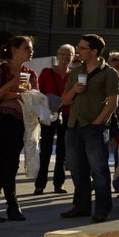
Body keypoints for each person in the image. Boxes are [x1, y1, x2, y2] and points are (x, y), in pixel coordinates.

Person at [61, 34, 119, 222]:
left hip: (94, 127)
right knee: (77, 169)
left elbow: (112, 103)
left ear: (94, 51)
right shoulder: (76, 71)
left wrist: (97, 123)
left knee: (99, 170)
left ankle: (102, 209)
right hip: (73, 125)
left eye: (82, 48)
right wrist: (74, 90)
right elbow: (65, 99)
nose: (78, 51)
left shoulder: (109, 73)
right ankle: (81, 206)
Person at [0, 36, 39, 222]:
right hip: (3, 121)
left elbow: (35, 99)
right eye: (27, 48)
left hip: (22, 123)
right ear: (14, 50)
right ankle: (6, 206)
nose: (31, 52)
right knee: (8, 163)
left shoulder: (30, 73)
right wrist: (9, 87)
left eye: (31, 49)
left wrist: (26, 94)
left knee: (8, 165)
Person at [35, 43, 74, 195]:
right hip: (49, 114)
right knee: (44, 150)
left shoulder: (74, 75)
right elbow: (40, 92)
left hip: (67, 114)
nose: (65, 57)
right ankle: (40, 184)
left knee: (62, 151)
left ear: (72, 57)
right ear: (57, 56)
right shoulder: (47, 72)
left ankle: (59, 184)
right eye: (62, 54)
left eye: (68, 54)